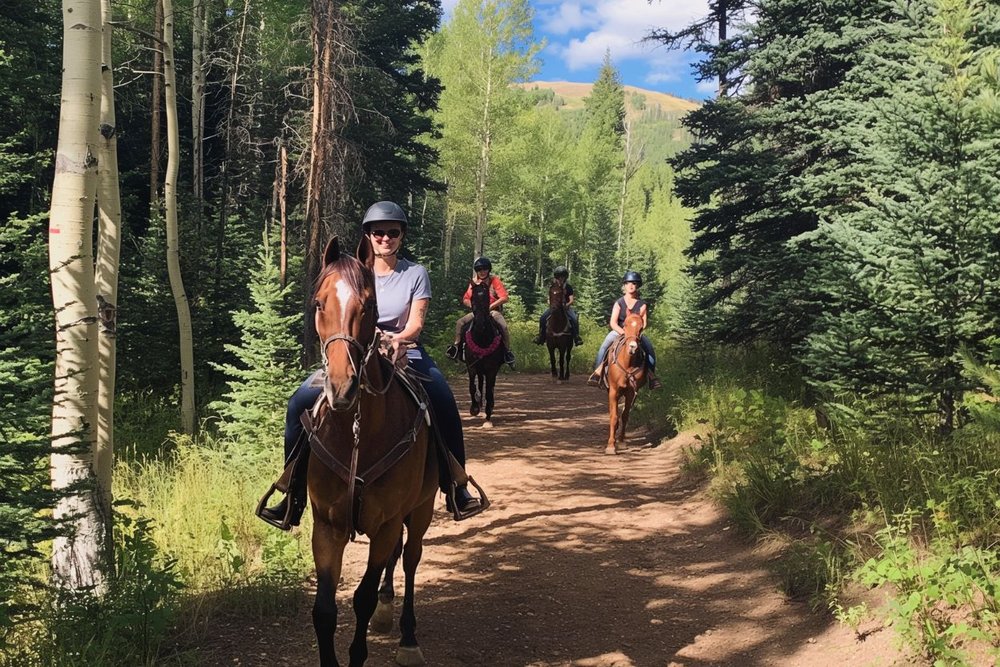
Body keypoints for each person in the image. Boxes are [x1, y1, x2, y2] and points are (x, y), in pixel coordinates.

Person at [260, 201, 483, 527]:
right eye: (378, 232)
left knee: (443, 400)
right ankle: (292, 494)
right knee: (298, 404)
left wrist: (395, 340)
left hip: (405, 351)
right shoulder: (351, 272)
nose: (385, 238)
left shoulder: (415, 273)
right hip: (352, 354)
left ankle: (455, 486)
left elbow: (416, 323)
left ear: (401, 236)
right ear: (368, 236)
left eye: (393, 232)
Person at [587, 271, 662, 389]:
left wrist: (634, 334)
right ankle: (597, 373)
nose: (631, 286)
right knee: (604, 346)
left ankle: (651, 376)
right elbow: (613, 322)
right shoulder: (619, 303)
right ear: (624, 285)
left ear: (637, 286)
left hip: (635, 334)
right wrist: (624, 333)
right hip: (619, 331)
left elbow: (645, 323)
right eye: (628, 283)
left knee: (649, 349)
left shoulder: (642, 305)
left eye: (634, 283)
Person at [446, 256, 516, 368]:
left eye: (484, 269)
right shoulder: (474, 283)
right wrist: (474, 307)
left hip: (493, 311)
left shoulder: (494, 281)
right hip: (477, 312)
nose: (482, 272)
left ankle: (507, 352)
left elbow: (504, 297)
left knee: (503, 327)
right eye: (479, 270)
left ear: (489, 270)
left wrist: (489, 307)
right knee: (460, 323)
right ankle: (456, 347)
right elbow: (465, 298)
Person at [533, 266, 583, 346]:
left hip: (565, 308)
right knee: (542, 318)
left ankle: (576, 337)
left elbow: (571, 300)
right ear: (556, 277)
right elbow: (548, 298)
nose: (561, 278)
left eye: (562, 277)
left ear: (565, 277)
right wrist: (551, 303)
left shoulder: (568, 287)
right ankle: (541, 336)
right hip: (554, 307)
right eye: (559, 277)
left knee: (574, 319)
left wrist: (567, 305)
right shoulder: (552, 287)